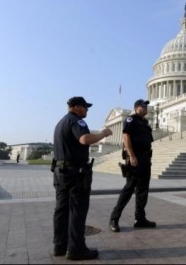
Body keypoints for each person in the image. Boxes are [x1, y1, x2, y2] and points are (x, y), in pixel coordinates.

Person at [52, 96, 112, 260]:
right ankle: (76, 249)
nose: (87, 110)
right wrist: (103, 133)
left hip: (60, 171)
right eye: (85, 107)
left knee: (61, 210)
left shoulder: (61, 122)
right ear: (76, 107)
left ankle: (59, 245)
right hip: (75, 173)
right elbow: (84, 139)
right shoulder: (77, 121)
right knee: (77, 210)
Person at [109, 99, 156, 233]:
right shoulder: (131, 119)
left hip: (146, 158)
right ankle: (114, 219)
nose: (146, 107)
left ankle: (140, 218)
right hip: (135, 158)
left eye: (147, 105)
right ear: (137, 107)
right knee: (129, 188)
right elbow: (126, 137)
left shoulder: (145, 122)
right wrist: (131, 155)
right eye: (143, 105)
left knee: (143, 190)